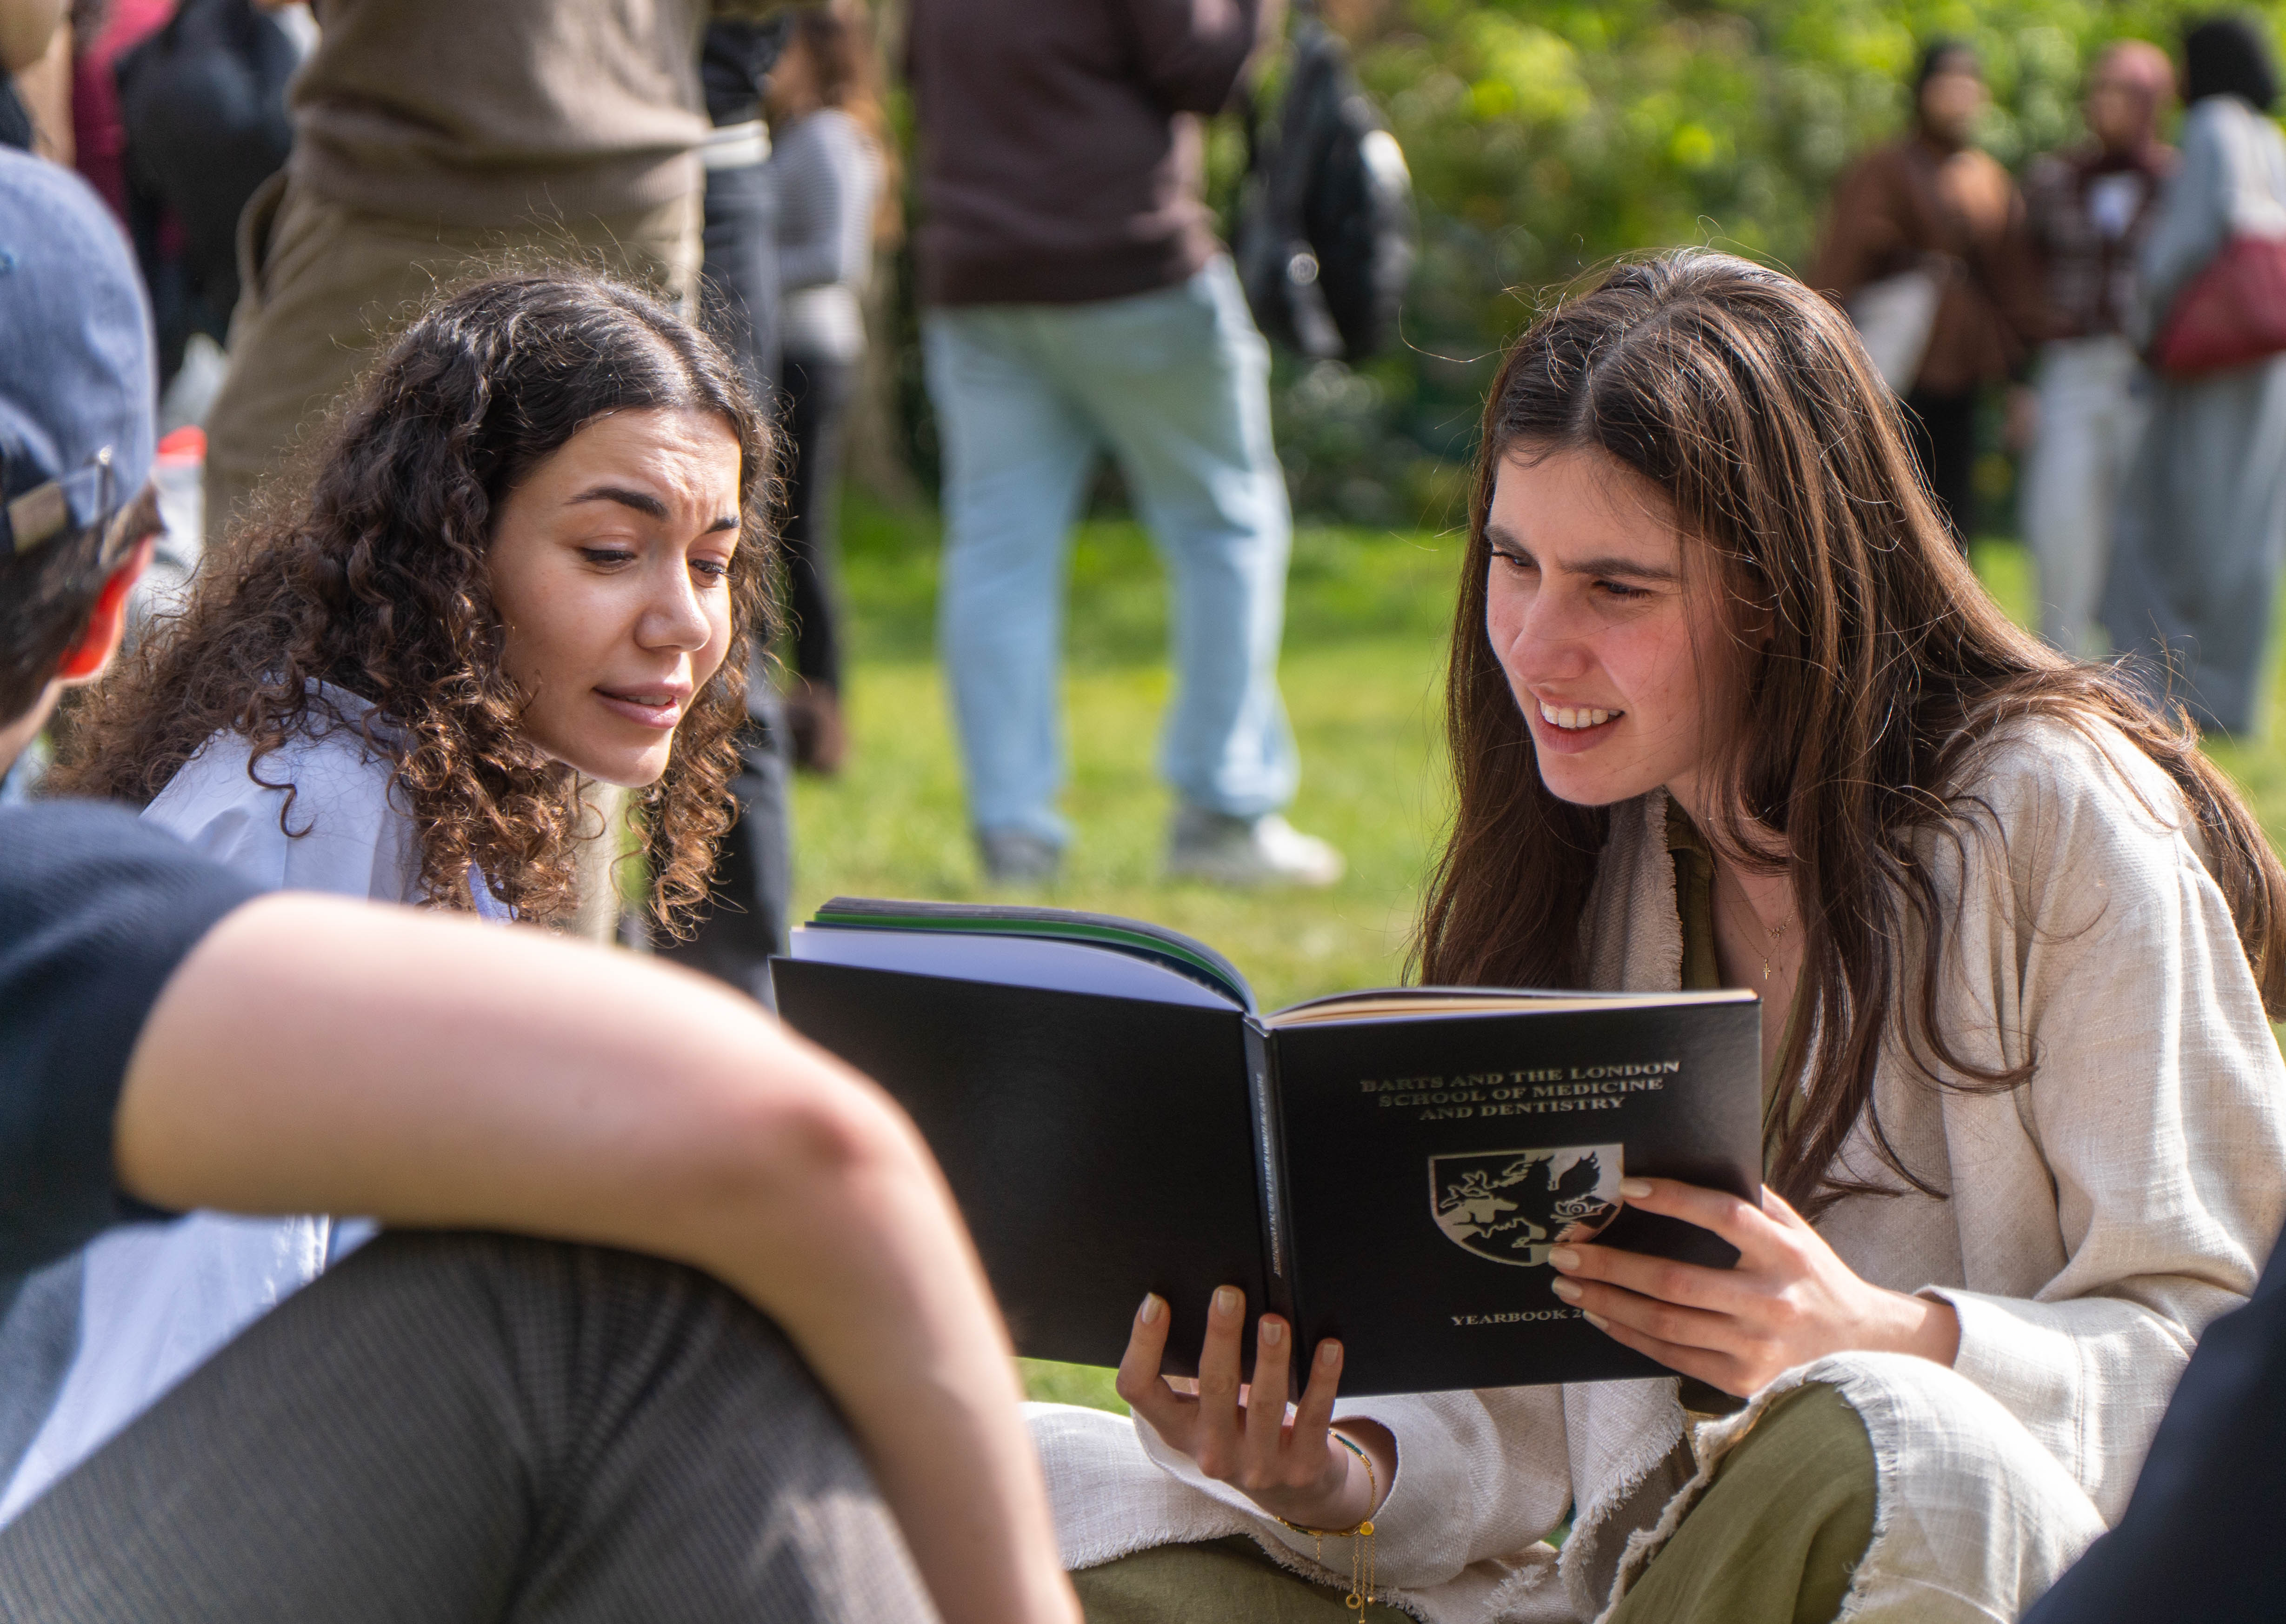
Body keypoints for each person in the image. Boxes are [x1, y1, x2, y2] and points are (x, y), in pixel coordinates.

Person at [1026, 251, 2286, 1624]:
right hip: (1639, 1593)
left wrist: (1881, 1335)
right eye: (1513, 562)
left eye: (1617, 591)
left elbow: (2226, 1364)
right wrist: (1327, 1467)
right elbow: (1500, 1413)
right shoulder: (1597, 847)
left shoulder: (2052, 818)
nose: (1535, 644)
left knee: (1878, 1432)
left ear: (1785, 587)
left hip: (1966, 1543)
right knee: (1024, 1480)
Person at [0, 140, 1078, 1624]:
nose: (682, 625)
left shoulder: (431, 795)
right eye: (610, 550)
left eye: (711, 562)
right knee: (646, 1319)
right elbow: (191, 1334)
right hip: (122, 1540)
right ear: (451, 554)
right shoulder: (310, 808)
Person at [906, 0, 1343, 888]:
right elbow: (1208, 68)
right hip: (1129, 263)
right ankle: (1222, 812)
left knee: (998, 553)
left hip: (976, 277)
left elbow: (918, 73)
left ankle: (1012, 832)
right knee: (1226, 525)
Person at [2102, 18, 2286, 739]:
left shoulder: (2210, 126)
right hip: (2264, 365)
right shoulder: (2271, 138)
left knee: (2169, 522)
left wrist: (2142, 327)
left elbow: (2180, 248)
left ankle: (2152, 690)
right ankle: (2225, 699)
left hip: (2207, 363)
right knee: (2246, 533)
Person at [1813, 40, 2042, 546]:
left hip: (1960, 364)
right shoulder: (1886, 165)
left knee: (1951, 502)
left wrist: (2019, 379)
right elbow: (1844, 256)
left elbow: (2012, 282)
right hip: (1891, 358)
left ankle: (1949, 620)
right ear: (1922, 92)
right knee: (1878, 496)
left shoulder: (1988, 178)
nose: (1958, 96)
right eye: (1947, 83)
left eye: (1968, 84)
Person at [2019, 41, 2176, 655]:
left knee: (2142, 529)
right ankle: (2055, 663)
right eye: (2100, 88)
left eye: (2123, 92)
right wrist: (2019, 378)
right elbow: (2021, 275)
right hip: (2070, 366)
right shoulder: (2053, 180)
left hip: (2150, 373)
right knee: (2059, 517)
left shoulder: (2179, 181)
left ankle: (2141, 674)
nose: (2106, 104)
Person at [767, 0, 886, 776]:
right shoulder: (800, 132)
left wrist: (741, 276)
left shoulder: (830, 137)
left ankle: (825, 720)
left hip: (809, 353)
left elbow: (836, 257)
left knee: (803, 540)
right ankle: (802, 716)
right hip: (787, 348)